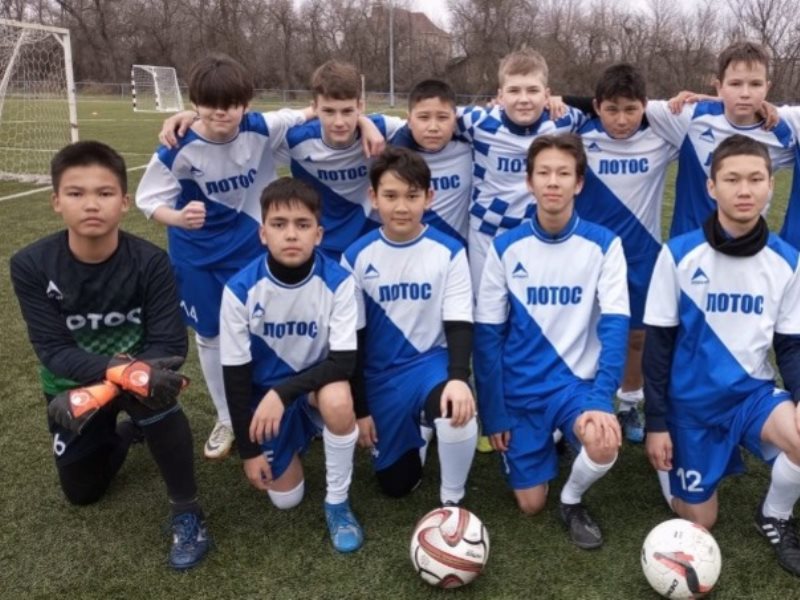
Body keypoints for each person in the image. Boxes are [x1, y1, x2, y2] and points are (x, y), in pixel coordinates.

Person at [10, 141, 209, 570]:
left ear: (123, 202)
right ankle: (124, 432)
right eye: (76, 193)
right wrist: (118, 376)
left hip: (139, 380)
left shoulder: (151, 262)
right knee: (83, 493)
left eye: (104, 193)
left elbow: (170, 345)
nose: (91, 204)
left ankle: (187, 511)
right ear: (56, 202)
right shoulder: (30, 264)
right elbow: (54, 350)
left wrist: (115, 384)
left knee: (155, 391)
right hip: (73, 384)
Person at [136, 53, 313, 460]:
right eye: (211, 104)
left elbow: (307, 112)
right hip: (197, 255)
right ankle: (227, 418)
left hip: (250, 245)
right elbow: (148, 200)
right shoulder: (176, 147)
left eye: (232, 104)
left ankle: (280, 400)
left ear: (246, 104)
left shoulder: (260, 127)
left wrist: (357, 121)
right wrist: (178, 217)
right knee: (212, 335)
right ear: (195, 103)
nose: (222, 113)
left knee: (265, 323)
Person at [644, 134, 800, 576]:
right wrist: (657, 424)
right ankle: (671, 465)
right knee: (700, 523)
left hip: (750, 396)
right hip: (690, 407)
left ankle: (774, 515)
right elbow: (657, 348)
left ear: (771, 184)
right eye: (732, 179)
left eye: (755, 179)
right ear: (712, 187)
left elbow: (791, 345)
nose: (744, 190)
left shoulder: (788, 262)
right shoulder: (678, 255)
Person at [474, 133, 629, 549]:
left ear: (579, 183)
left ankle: (571, 499)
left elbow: (615, 327)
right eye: (544, 173)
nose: (553, 182)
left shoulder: (605, 245)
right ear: (530, 182)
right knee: (529, 504)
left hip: (574, 387)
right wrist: (494, 412)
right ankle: (552, 439)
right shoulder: (505, 247)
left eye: (563, 173)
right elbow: (487, 337)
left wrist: (601, 399)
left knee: (603, 442)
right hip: (520, 390)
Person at [220, 177, 363, 553]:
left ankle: (337, 502)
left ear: (318, 234)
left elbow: (344, 362)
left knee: (338, 400)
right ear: (262, 233)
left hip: (311, 389)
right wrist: (249, 451)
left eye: (302, 224)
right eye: (279, 224)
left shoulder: (339, 282)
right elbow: (235, 377)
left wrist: (282, 394)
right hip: (263, 399)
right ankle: (296, 437)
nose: (291, 234)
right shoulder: (239, 290)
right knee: (287, 499)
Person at [342, 147, 477, 507]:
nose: (401, 207)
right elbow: (352, 339)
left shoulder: (450, 251)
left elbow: (459, 322)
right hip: (380, 375)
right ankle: (421, 424)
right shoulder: (355, 257)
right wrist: (361, 409)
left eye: (412, 196)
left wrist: (459, 379)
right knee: (397, 484)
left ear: (429, 198)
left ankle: (452, 501)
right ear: (373, 197)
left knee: (455, 409)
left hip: (430, 364)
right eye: (390, 196)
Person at [572, 64, 679, 443]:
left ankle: (629, 402)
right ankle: (577, 398)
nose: (621, 120)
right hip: (587, 256)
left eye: (631, 109)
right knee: (582, 331)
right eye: (612, 109)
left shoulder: (662, 138)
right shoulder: (577, 136)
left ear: (645, 106)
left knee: (637, 337)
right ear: (596, 106)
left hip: (642, 256)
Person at [456, 48, 586, 289]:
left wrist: (565, 99)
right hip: (486, 232)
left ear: (547, 94)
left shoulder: (563, 121)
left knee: (533, 305)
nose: (524, 99)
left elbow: (601, 107)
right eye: (514, 91)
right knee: (486, 305)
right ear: (500, 95)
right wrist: (377, 129)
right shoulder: (478, 121)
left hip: (537, 234)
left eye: (533, 90)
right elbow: (424, 118)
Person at [644, 41, 796, 238]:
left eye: (755, 84)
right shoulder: (689, 115)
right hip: (689, 247)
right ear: (719, 87)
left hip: (746, 248)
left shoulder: (782, 132)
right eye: (735, 84)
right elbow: (629, 105)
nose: (745, 93)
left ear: (767, 88)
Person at [389, 79, 472, 246]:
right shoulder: (391, 153)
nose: (433, 127)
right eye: (424, 117)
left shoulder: (470, 150)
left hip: (455, 252)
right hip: (406, 248)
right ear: (409, 120)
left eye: (442, 117)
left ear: (455, 120)